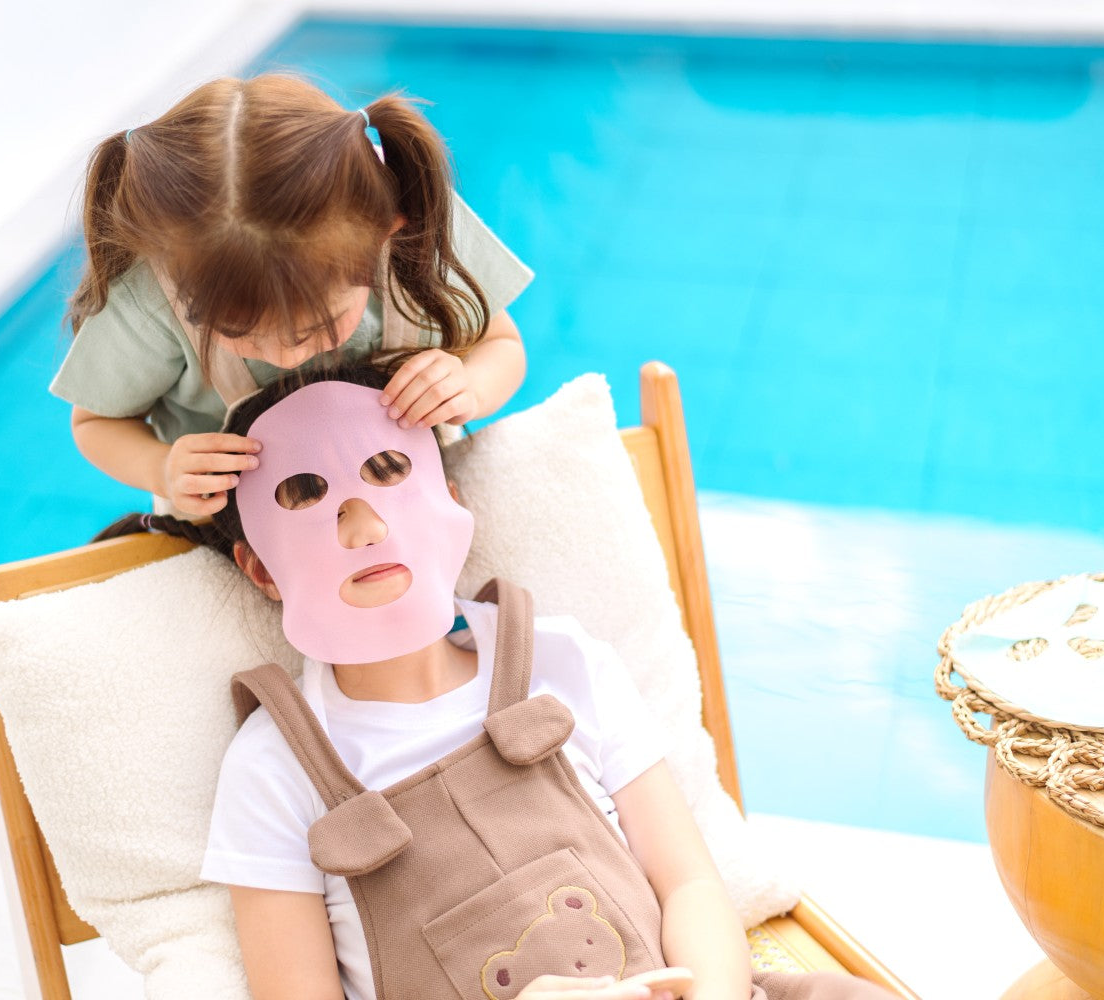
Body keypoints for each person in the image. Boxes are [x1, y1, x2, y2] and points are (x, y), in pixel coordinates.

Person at [97, 363, 897, 1000]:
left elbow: (687, 880)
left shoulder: (563, 662)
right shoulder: (275, 770)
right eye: (307, 498)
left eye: (386, 473)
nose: (363, 524)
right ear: (259, 567)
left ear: (448, 497)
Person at [54, 74, 530, 518]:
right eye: (239, 332)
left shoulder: (418, 235)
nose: (285, 355)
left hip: (407, 497)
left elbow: (501, 345)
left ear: (384, 238)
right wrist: (162, 467)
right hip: (238, 526)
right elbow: (95, 423)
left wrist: (470, 386)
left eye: (312, 329)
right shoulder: (152, 299)